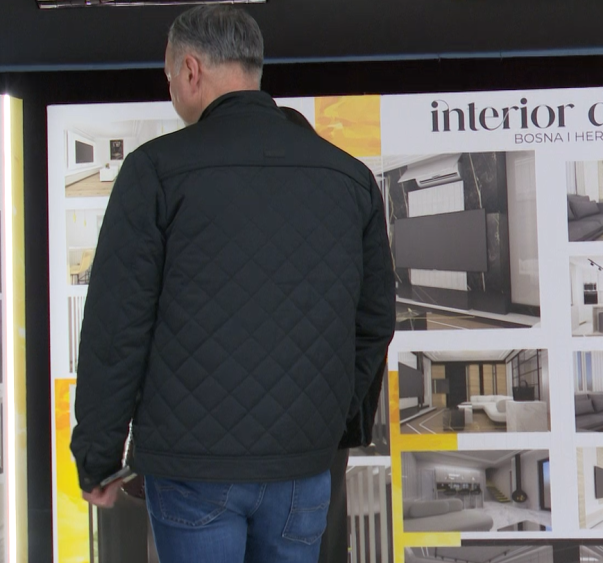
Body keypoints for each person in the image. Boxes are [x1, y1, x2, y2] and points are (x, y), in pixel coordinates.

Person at [70, 5, 395, 563]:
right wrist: (330, 420)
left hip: (190, 467)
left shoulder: (156, 170)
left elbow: (116, 326)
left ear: (190, 70)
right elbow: (374, 322)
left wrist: (98, 455)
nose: (172, 90)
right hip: (302, 464)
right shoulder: (350, 178)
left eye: (169, 77)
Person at [278, 106, 390, 563]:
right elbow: (376, 318)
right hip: (320, 422)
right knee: (318, 542)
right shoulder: (352, 186)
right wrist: (342, 406)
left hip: (228, 435)